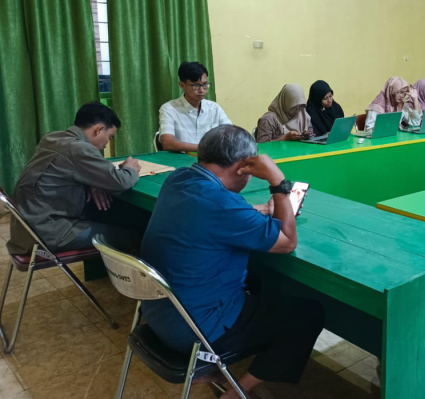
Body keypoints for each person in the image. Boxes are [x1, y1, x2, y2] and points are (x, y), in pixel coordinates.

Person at [140, 125, 324, 399]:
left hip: (158, 315)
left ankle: (215, 368)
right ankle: (236, 392)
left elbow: (213, 214)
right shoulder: (222, 204)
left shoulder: (179, 179)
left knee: (255, 281)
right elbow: (287, 242)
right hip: (194, 331)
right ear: (243, 167)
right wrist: (278, 182)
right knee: (308, 313)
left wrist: (260, 210)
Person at [7, 102, 143, 256]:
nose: (106, 144)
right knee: (133, 237)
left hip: (27, 229)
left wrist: (91, 182)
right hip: (49, 233)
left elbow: (65, 171)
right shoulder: (79, 149)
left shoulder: (52, 138)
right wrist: (130, 168)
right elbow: (121, 182)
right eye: (109, 137)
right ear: (98, 130)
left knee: (112, 216)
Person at [159, 62, 232, 152]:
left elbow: (231, 135)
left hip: (211, 158)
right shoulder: (169, 109)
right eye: (196, 85)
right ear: (182, 85)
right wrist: (206, 148)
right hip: (183, 158)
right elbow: (167, 143)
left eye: (205, 84)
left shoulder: (214, 108)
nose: (201, 90)